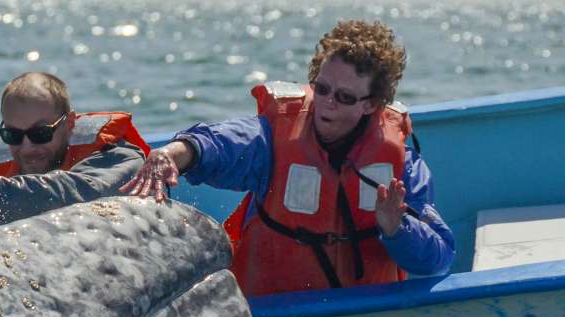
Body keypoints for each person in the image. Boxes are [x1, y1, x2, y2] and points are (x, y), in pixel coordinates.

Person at [122, 20, 455, 297]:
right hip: (275, 312)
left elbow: (439, 259)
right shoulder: (273, 139)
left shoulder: (404, 167)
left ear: (372, 104)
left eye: (344, 97)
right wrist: (172, 153)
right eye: (321, 89)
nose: (327, 103)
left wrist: (398, 228)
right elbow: (222, 143)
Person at [0, 72, 151, 229]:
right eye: (13, 135)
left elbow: (71, 194)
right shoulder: (5, 181)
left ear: (70, 124)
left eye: (40, 134)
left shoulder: (121, 160)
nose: (27, 147)